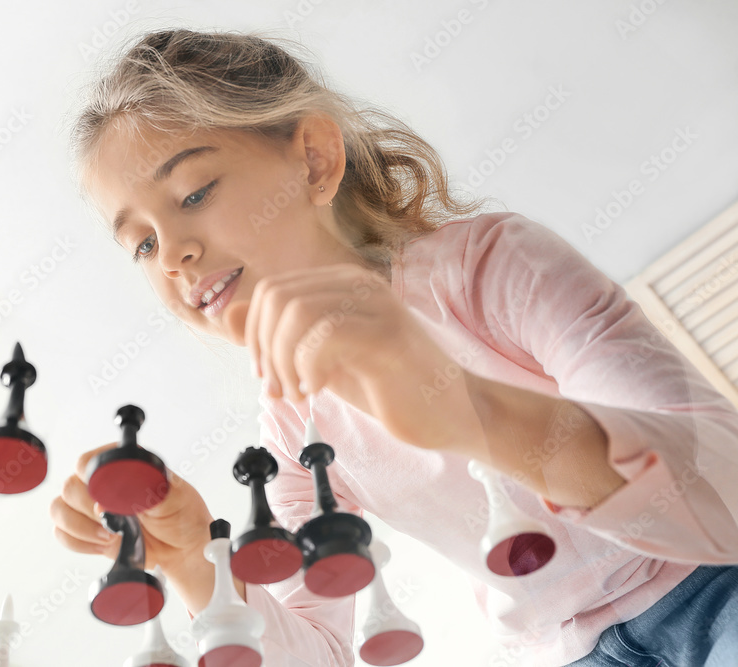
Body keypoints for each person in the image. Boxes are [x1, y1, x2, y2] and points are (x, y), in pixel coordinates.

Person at [49, 28, 738, 666]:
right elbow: (319, 649)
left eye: (193, 193)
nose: (172, 254)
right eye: (140, 243)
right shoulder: (293, 431)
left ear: (315, 160)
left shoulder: (489, 267)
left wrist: (472, 410)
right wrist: (197, 563)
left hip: (712, 583)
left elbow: (724, 486)